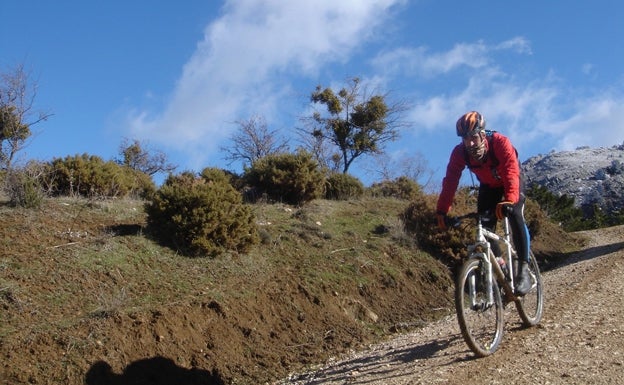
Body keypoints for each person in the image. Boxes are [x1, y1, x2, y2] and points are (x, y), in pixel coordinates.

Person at [436, 111, 531, 295]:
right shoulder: (460, 153)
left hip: (511, 182)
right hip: (488, 187)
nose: (470, 143)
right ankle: (502, 268)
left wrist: (510, 199)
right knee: (484, 228)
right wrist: (442, 210)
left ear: (482, 134)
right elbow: (450, 180)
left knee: (515, 214)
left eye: (473, 137)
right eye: (465, 139)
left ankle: (524, 270)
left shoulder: (500, 142)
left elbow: (511, 171)